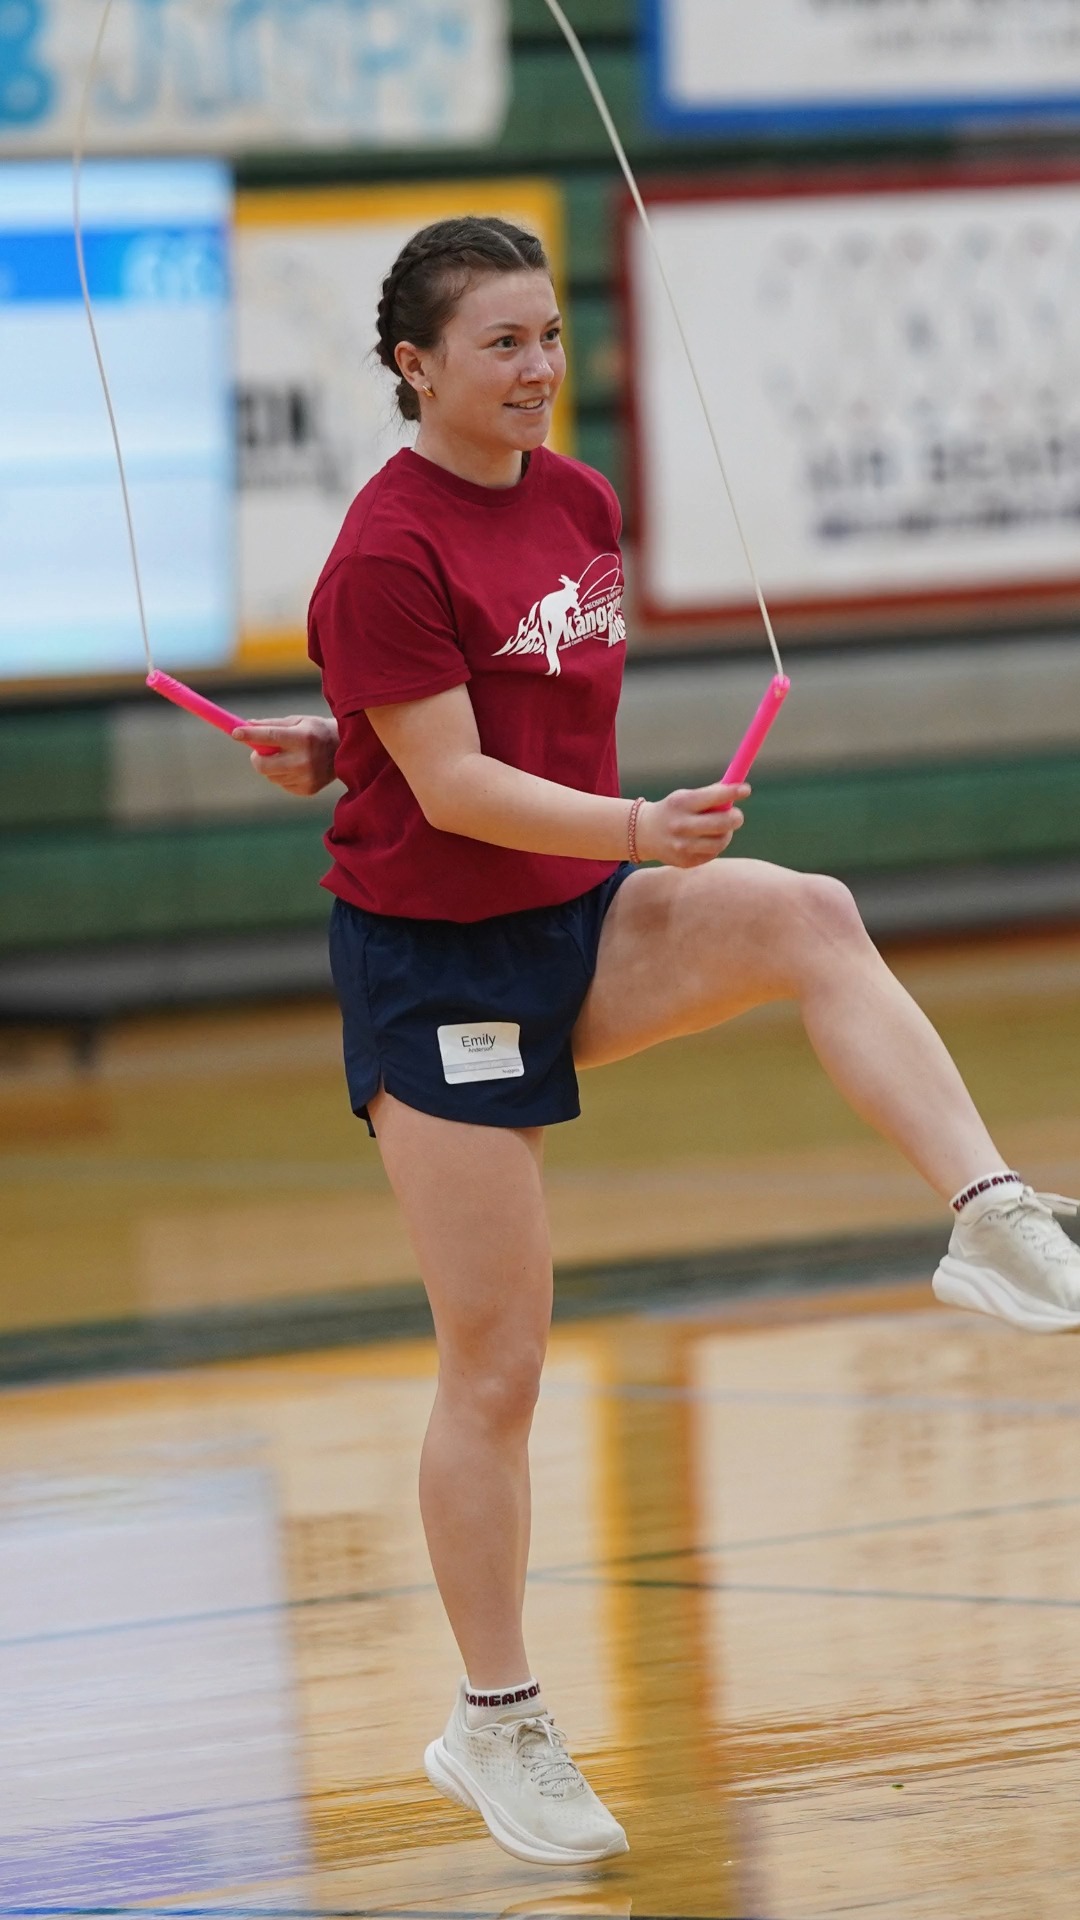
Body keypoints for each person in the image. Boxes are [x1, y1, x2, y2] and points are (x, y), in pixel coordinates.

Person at [234, 215, 1080, 1867]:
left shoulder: (578, 503)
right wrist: (623, 821)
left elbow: (474, 716)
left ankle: (993, 1218)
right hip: (439, 965)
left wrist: (346, 739)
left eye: (550, 337)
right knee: (499, 1360)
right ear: (414, 363)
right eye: (501, 345)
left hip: (576, 917)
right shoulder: (379, 552)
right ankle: (495, 1725)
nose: (539, 370)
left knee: (809, 913)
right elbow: (462, 783)